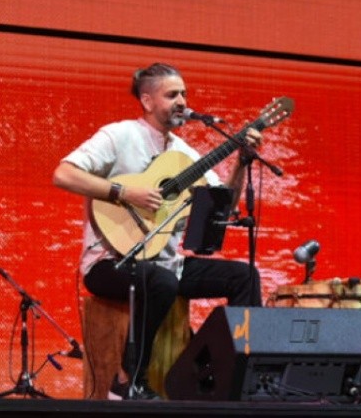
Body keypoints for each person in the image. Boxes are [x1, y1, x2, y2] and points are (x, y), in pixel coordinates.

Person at [52, 62, 262, 400]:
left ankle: (235, 376)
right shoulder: (120, 135)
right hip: (111, 262)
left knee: (245, 277)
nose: (182, 100)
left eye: (184, 93)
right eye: (172, 94)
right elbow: (63, 174)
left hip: (167, 264)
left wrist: (240, 163)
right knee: (160, 282)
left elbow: (223, 207)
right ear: (147, 101)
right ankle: (128, 378)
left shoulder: (184, 154)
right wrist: (122, 192)